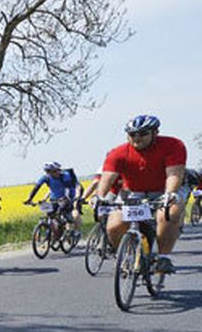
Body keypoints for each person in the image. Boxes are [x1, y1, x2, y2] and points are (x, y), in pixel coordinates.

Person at [96, 114, 188, 272]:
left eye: (143, 133)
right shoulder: (118, 153)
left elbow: (174, 174)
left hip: (162, 190)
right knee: (114, 224)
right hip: (133, 193)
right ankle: (127, 256)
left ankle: (163, 257)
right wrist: (100, 198)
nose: (137, 138)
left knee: (168, 213)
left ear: (155, 133)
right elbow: (107, 179)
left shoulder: (173, 145)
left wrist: (169, 195)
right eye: (132, 135)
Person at [23, 162, 83, 230]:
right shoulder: (46, 177)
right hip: (54, 199)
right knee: (49, 214)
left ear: (58, 170)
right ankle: (53, 231)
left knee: (63, 212)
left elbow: (68, 188)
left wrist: (66, 197)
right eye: (48, 172)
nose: (53, 173)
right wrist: (30, 199)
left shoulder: (65, 176)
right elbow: (36, 187)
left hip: (69, 197)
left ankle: (72, 229)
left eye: (55, 171)